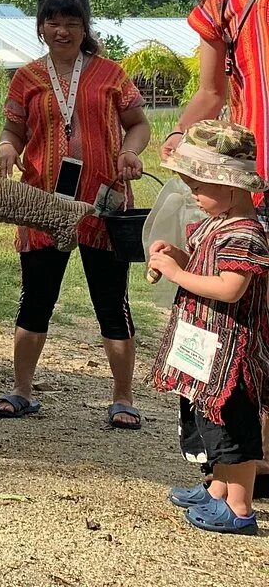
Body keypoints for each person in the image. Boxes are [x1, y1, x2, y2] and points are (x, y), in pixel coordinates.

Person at [0, 0, 150, 426]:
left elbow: (138, 124)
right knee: (35, 299)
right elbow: (13, 131)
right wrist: (7, 147)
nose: (62, 30)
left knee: (111, 301)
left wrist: (130, 152)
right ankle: (22, 390)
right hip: (43, 203)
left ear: (85, 27)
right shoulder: (26, 77)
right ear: (41, 27)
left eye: (72, 23)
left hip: (105, 204)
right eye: (53, 22)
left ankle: (123, 398)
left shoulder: (110, 74)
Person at [165, 0, 269, 480]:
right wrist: (180, 138)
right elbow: (209, 93)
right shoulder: (221, 3)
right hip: (243, 183)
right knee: (236, 321)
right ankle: (232, 471)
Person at [149, 120, 269, 535]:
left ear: (232, 187)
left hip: (232, 355)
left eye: (198, 184)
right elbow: (205, 267)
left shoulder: (246, 234)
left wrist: (176, 274)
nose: (192, 194)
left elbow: (230, 288)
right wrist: (177, 256)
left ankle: (239, 507)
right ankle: (217, 488)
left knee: (234, 429)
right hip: (208, 350)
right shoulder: (216, 223)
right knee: (211, 426)